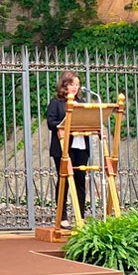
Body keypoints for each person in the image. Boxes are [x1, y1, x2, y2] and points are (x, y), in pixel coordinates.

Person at [46, 71, 89, 228]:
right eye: (72, 84)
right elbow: (51, 122)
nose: (75, 88)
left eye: (77, 85)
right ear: (64, 85)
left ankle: (80, 217)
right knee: (64, 180)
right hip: (63, 147)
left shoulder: (82, 102)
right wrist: (61, 126)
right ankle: (62, 216)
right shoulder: (56, 102)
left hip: (81, 145)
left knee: (80, 180)